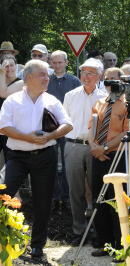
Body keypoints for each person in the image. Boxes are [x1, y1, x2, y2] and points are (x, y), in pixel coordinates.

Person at [0, 59, 73, 258]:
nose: (47, 78)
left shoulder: (51, 100)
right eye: (42, 75)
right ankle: (5, 239)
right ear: (29, 77)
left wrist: (49, 136)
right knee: (5, 197)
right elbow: (4, 127)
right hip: (17, 156)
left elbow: (67, 125)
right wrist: (28, 138)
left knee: (43, 201)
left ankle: (37, 246)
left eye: (47, 75)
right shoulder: (12, 100)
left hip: (45, 156)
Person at [63, 58, 107, 246]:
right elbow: (64, 121)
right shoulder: (70, 95)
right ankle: (79, 231)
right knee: (75, 190)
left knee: (98, 189)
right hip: (73, 144)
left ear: (99, 76)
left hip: (96, 147)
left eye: (90, 73)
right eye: (83, 72)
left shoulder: (105, 97)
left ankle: (99, 232)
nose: (86, 76)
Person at [89, 67, 128, 257]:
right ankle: (104, 243)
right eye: (107, 80)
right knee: (99, 198)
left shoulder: (128, 105)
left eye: (114, 79)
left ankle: (120, 246)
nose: (110, 84)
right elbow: (92, 127)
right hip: (97, 155)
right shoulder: (99, 102)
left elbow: (126, 132)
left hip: (117, 156)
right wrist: (94, 148)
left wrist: (105, 148)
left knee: (117, 200)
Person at [47, 50, 81, 213]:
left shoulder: (75, 81)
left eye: (60, 62)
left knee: (68, 166)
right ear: (50, 63)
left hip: (68, 129)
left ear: (66, 63)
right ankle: (53, 197)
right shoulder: (46, 80)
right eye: (54, 62)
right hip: (49, 129)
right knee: (51, 164)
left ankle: (67, 198)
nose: (57, 65)